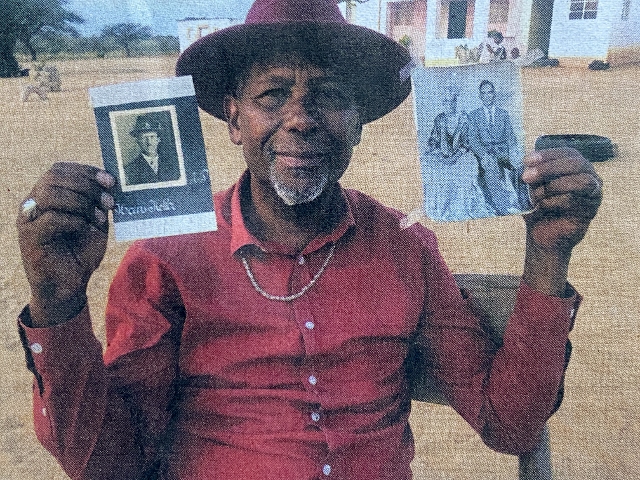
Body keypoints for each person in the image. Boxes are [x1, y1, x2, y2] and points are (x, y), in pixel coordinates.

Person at [15, 0, 602, 479]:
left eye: (329, 95)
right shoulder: (167, 256)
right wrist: (56, 303)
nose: (300, 118)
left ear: (358, 122)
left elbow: (510, 424)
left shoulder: (406, 249)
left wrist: (549, 253)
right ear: (234, 119)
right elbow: (110, 464)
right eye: (273, 95)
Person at [421, 87, 494, 221]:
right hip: (443, 154)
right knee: (427, 165)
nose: (449, 105)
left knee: (467, 165)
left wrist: (454, 157)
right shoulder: (440, 118)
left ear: (456, 102)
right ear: (443, 103)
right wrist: (439, 154)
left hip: (461, 155)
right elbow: (433, 140)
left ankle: (460, 207)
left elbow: (467, 143)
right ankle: (439, 208)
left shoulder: (464, 118)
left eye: (452, 101)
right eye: (446, 102)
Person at [468, 80, 529, 215]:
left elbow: (511, 136)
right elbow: (472, 140)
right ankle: (502, 207)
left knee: (520, 166)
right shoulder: (474, 115)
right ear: (480, 96)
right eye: (483, 93)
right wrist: (483, 155)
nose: (487, 96)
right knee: (491, 169)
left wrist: (513, 151)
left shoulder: (503, 114)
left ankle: (524, 203)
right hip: (486, 154)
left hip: (503, 152)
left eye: (489, 92)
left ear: (494, 94)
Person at [124, 115, 181, 186]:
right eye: (144, 138)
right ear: (138, 141)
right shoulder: (129, 170)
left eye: (152, 137)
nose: (149, 142)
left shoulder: (172, 164)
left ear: (158, 139)